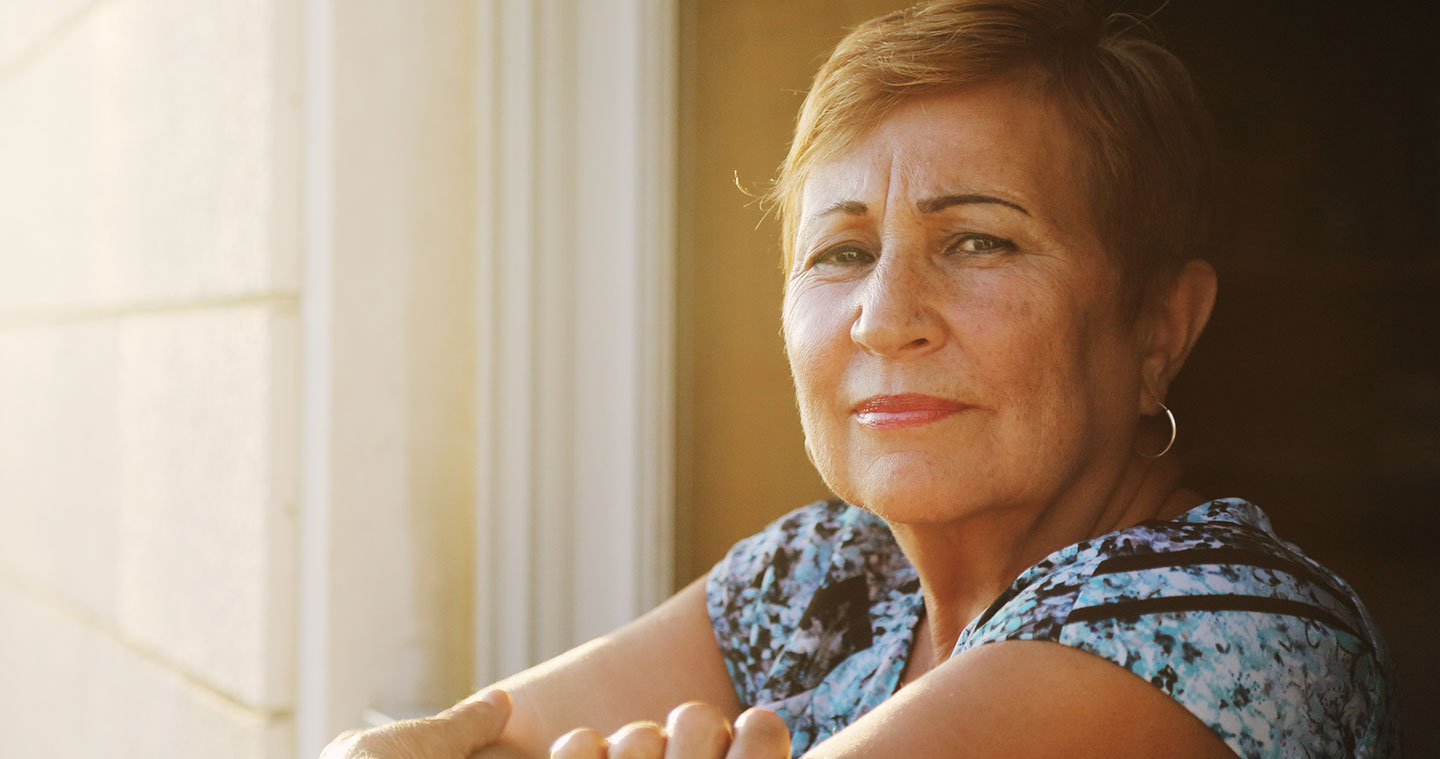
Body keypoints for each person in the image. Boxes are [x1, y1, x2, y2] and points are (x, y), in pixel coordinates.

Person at [323, 1, 1401, 757]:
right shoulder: (822, 573)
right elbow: (468, 746)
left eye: (979, 242)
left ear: (1160, 325)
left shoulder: (1233, 628)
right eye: (840, 252)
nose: (885, 317)